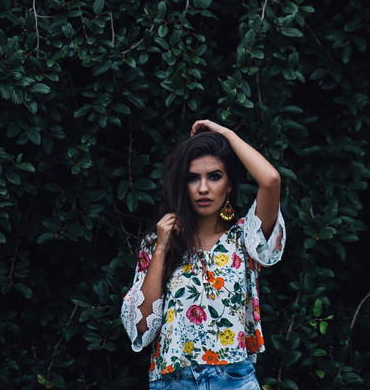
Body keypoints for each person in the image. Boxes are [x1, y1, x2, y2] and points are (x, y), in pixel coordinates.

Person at [121, 119, 285, 389]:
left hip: (231, 379)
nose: (203, 188)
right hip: (172, 381)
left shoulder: (245, 239)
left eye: (214, 176)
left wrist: (226, 133)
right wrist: (161, 247)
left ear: (229, 184)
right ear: (182, 185)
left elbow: (271, 180)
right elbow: (141, 327)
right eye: (193, 178)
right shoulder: (158, 242)